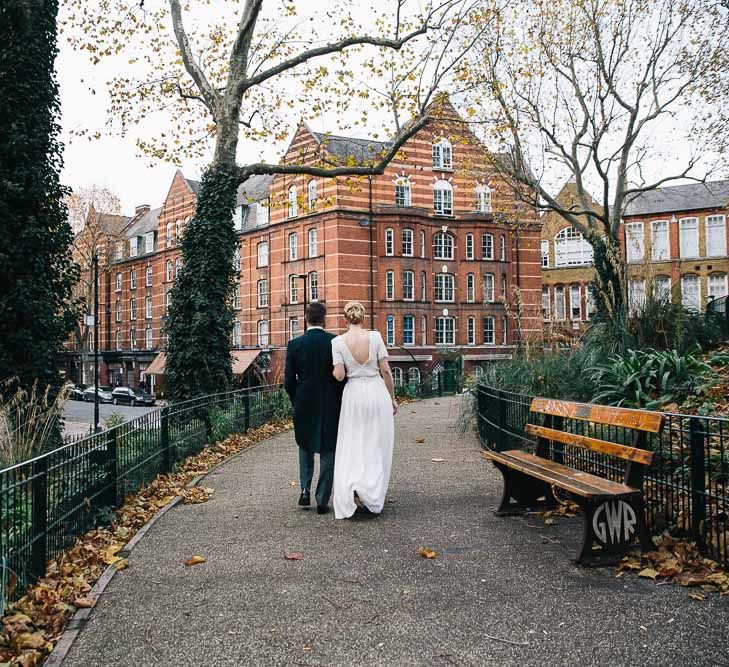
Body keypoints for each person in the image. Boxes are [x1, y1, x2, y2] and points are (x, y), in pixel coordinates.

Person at [331, 301, 397, 519]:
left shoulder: (337, 342)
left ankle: (355, 486)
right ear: (363, 317)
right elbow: (386, 371)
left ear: (345, 319)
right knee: (376, 443)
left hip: (354, 397)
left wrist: (332, 371)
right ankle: (372, 492)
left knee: (354, 443)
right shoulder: (376, 337)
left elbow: (339, 375)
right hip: (376, 391)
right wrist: (393, 399)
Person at [284, 302, 343, 514]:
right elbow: (341, 377)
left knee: (305, 444)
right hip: (330, 402)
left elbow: (288, 381)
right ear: (324, 319)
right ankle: (322, 499)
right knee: (328, 449)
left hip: (304, 401)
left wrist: (296, 399)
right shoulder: (335, 341)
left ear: (306, 319)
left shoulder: (294, 344)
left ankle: (304, 490)